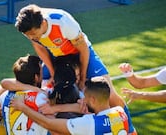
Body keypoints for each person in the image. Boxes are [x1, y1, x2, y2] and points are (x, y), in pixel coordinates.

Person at [14, 4, 136, 133]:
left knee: (109, 92)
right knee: (42, 88)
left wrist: (82, 78)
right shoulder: (30, 27)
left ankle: (130, 129)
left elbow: (83, 49)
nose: (32, 38)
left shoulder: (63, 22)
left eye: (33, 34)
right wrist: (53, 72)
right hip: (57, 55)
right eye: (28, 36)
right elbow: (39, 47)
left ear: (43, 23)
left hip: (79, 52)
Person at [10, 76, 134, 135]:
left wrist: (23, 107)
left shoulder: (89, 123)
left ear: (93, 99)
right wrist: (55, 108)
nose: (82, 100)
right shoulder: (120, 112)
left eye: (85, 97)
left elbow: (48, 124)